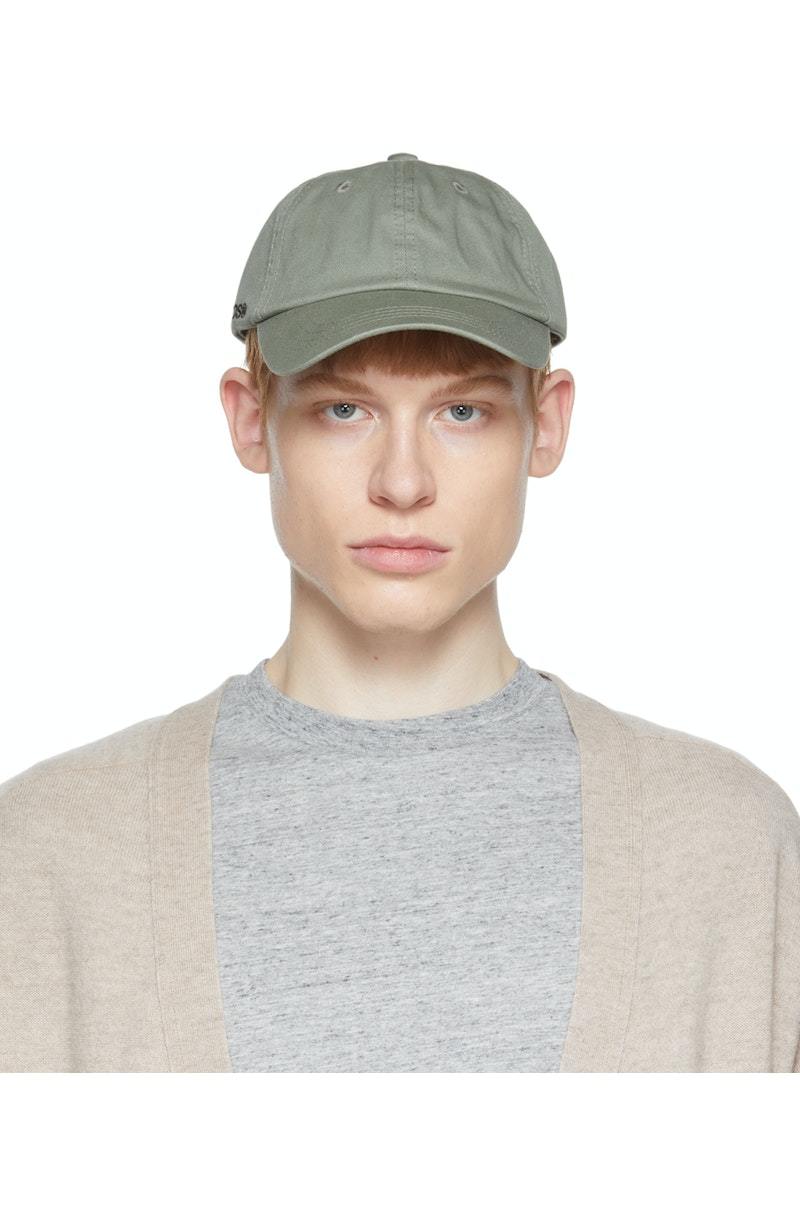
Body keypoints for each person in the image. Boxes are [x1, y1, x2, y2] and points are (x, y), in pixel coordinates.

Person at [1, 153, 798, 1073]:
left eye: (463, 412)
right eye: (345, 408)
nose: (404, 481)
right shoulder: (55, 855)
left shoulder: (730, 851)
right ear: (250, 419)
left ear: (547, 424)